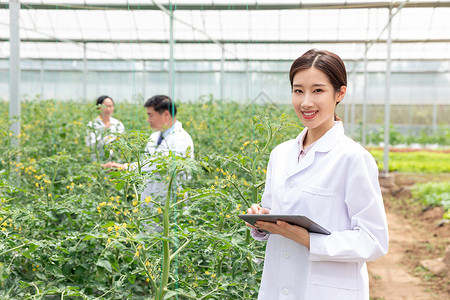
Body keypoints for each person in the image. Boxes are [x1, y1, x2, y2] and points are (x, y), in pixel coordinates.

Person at [246, 49, 389, 300]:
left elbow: (373, 240)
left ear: (340, 93)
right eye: (298, 90)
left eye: (318, 90)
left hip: (327, 290)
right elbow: (274, 209)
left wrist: (310, 240)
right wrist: (262, 219)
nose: (305, 102)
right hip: (278, 286)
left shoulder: (353, 158)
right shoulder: (280, 154)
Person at [103, 95, 194, 202]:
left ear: (166, 114)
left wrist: (125, 167)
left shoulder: (181, 138)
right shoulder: (154, 136)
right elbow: (145, 162)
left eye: (150, 115)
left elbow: (158, 164)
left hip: (170, 204)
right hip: (150, 202)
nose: (148, 120)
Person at [86, 95, 125, 161]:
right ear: (98, 107)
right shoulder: (92, 125)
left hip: (116, 161)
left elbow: (123, 143)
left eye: (111, 106)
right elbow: (90, 144)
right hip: (98, 160)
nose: (108, 109)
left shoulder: (118, 124)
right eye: (106, 106)